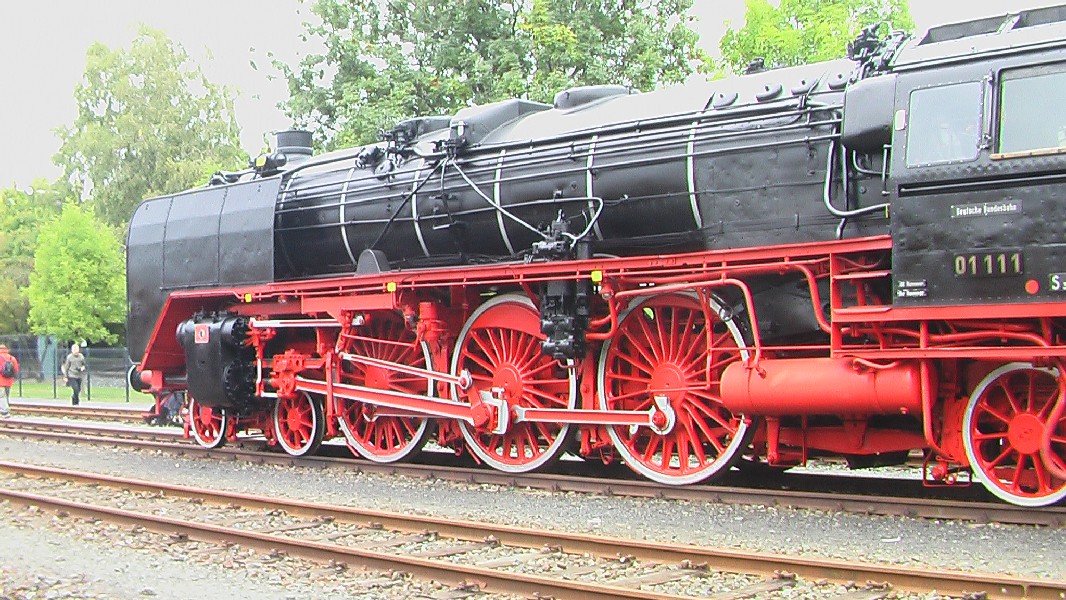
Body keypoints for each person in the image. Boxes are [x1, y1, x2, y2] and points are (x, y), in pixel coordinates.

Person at [0, 344, 19, 418]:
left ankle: (5, 412)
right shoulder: (12, 358)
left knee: (2, 396)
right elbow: (16, 369)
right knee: (6, 396)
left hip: (0, 381)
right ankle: (6, 409)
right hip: (9, 381)